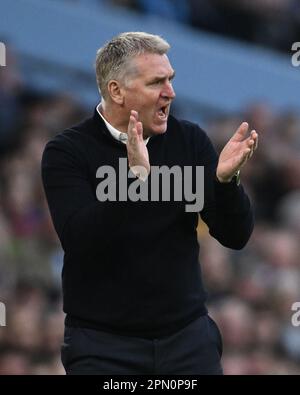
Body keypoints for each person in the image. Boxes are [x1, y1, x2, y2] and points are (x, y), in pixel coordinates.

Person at [41, 32, 258, 375]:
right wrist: (135, 179)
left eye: (170, 79)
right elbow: (79, 240)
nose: (170, 92)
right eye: (157, 82)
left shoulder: (188, 140)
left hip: (186, 341)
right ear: (117, 91)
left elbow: (236, 236)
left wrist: (225, 182)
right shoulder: (67, 152)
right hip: (104, 346)